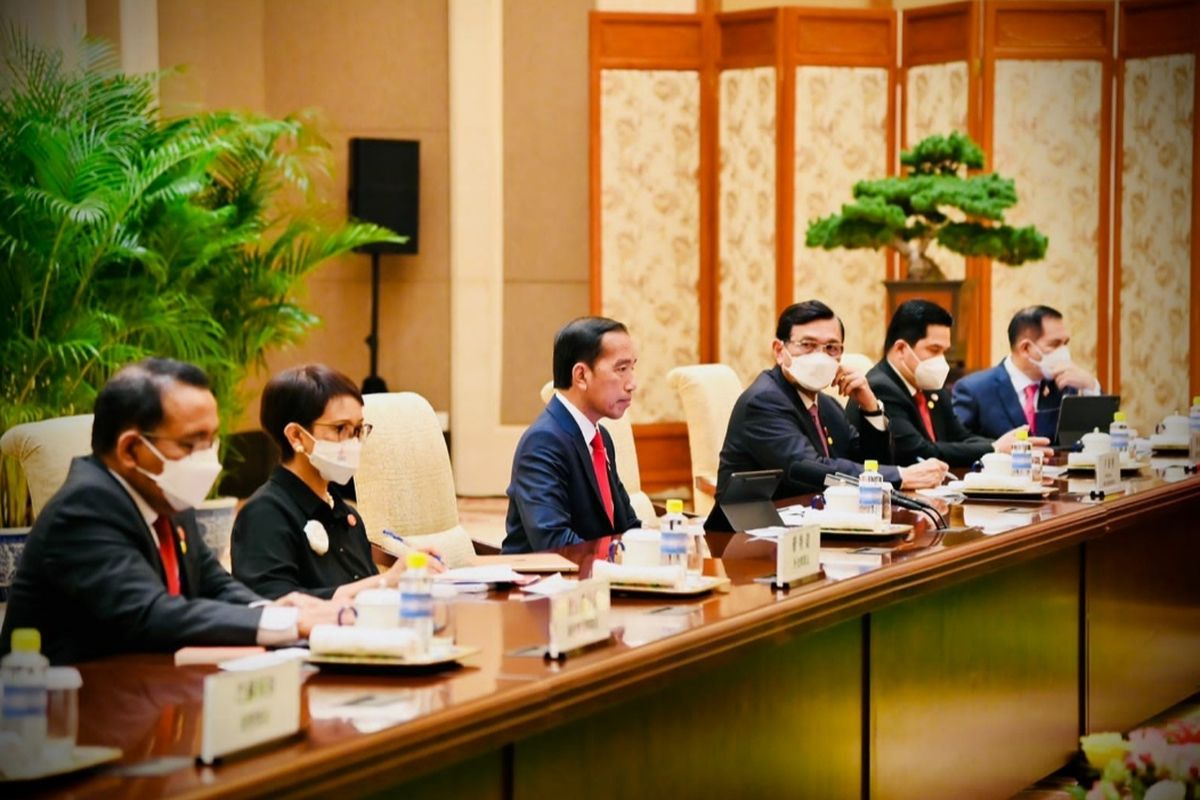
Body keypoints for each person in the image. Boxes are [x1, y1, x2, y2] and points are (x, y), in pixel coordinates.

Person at [0, 358, 336, 665]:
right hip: (62, 706)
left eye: (212, 441)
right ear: (131, 449)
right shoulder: (84, 508)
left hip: (149, 690)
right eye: (192, 443)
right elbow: (151, 613)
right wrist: (288, 624)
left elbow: (212, 581)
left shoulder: (165, 496)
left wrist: (273, 609)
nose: (207, 458)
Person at [231, 364, 441, 601]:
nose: (353, 441)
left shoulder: (348, 517)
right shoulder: (265, 513)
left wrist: (406, 574)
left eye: (358, 429)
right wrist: (386, 581)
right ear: (297, 436)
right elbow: (273, 605)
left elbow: (368, 597)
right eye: (341, 429)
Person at [718, 300, 949, 499]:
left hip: (819, 523)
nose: (820, 356)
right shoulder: (764, 401)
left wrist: (870, 408)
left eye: (831, 347)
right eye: (807, 345)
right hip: (752, 535)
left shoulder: (824, 404)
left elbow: (870, 461)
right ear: (779, 350)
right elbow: (808, 469)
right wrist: (900, 476)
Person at [848, 300, 1050, 467]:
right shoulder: (880, 387)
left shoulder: (929, 385)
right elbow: (917, 451)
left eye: (944, 351)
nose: (941, 360)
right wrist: (995, 449)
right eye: (934, 350)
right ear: (901, 349)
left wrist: (1011, 446)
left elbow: (960, 436)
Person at [502, 316, 642, 553]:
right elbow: (556, 544)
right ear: (581, 376)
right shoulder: (543, 443)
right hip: (543, 585)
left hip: (596, 581)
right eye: (621, 369)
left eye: (632, 368)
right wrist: (619, 560)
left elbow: (626, 525)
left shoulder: (601, 438)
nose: (632, 384)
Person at [952, 305, 1101, 440]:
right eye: (1054, 344)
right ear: (1025, 349)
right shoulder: (974, 389)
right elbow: (960, 443)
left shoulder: (1067, 384)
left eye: (1065, 343)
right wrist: (998, 448)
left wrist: (1091, 388)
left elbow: (1098, 441)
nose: (1063, 352)